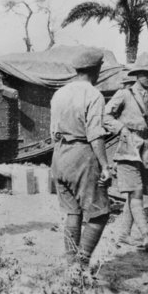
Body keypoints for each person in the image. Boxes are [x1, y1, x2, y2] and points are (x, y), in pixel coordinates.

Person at [50, 48, 111, 273]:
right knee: (100, 213)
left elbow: (52, 131)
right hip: (81, 154)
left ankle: (70, 265)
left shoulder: (59, 94)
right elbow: (95, 134)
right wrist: (105, 166)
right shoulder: (94, 95)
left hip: (59, 155)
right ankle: (82, 263)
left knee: (73, 212)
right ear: (97, 69)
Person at [104, 52, 148, 252]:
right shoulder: (124, 94)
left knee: (135, 194)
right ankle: (146, 235)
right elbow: (105, 116)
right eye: (145, 73)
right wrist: (121, 129)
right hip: (128, 148)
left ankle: (124, 235)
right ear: (137, 74)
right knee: (136, 193)